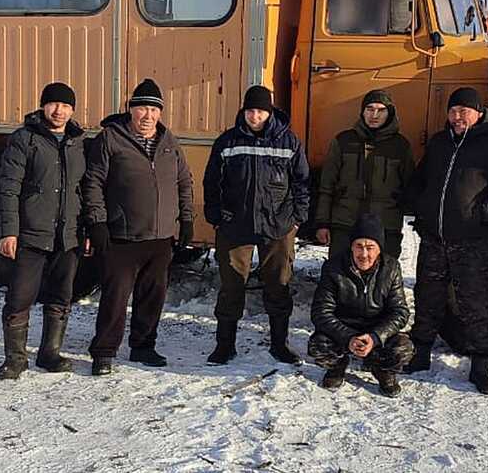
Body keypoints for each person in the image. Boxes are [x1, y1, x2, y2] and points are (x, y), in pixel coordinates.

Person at [402, 87, 488, 394]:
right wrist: (419, 206)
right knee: (427, 297)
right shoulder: (439, 143)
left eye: (464, 111)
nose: (457, 117)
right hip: (434, 238)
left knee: (476, 303)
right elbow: (421, 179)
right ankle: (420, 353)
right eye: (453, 111)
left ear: (478, 113)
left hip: (472, 241)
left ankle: (480, 367)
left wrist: (487, 212)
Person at [83, 78, 194, 375]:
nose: (148, 116)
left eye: (154, 110)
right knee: (115, 298)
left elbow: (184, 182)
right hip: (122, 236)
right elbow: (93, 183)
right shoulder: (110, 139)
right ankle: (104, 352)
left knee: (152, 296)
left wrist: (186, 219)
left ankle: (143, 346)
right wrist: (97, 222)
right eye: (142, 108)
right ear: (131, 110)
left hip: (160, 237)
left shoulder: (170, 142)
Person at [203, 85, 311, 365]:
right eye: (250, 111)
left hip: (278, 225)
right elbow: (212, 181)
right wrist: (216, 215)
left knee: (278, 285)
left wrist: (297, 217)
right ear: (243, 111)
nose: (255, 117)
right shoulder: (227, 141)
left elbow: (301, 182)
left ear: (270, 112)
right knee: (231, 287)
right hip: (235, 225)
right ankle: (224, 345)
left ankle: (280, 344)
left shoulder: (288, 142)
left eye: (261, 111)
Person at [0, 82, 86, 380]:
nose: (59, 111)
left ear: (73, 110)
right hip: (31, 233)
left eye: (66, 106)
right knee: (20, 297)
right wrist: (9, 231)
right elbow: (8, 188)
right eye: (54, 104)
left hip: (67, 235)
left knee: (61, 296)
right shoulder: (25, 139)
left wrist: (86, 230)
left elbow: (85, 189)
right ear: (43, 106)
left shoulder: (79, 142)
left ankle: (50, 354)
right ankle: (15, 359)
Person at [308, 213, 413, 396]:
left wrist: (375, 337)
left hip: (376, 330)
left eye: (370, 247)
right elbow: (321, 311)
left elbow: (400, 312)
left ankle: (382, 370)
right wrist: (348, 337)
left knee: (403, 348)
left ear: (379, 249)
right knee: (318, 344)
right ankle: (337, 367)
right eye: (359, 246)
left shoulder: (391, 268)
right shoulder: (333, 267)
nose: (364, 254)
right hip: (344, 330)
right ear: (351, 247)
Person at [315, 90, 415, 260]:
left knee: (384, 273)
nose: (374, 115)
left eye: (381, 110)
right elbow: (327, 186)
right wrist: (322, 223)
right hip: (345, 223)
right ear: (362, 112)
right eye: (369, 109)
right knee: (339, 271)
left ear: (390, 113)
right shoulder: (343, 141)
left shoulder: (401, 146)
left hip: (385, 226)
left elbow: (410, 187)